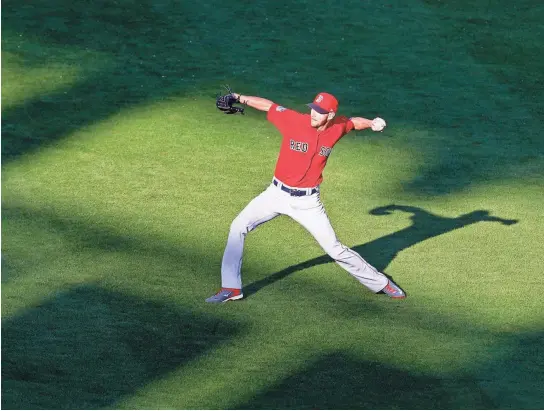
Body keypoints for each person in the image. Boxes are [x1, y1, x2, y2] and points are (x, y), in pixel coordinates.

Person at [206, 92, 406, 303]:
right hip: (275, 194)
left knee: (334, 249)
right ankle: (231, 287)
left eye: (319, 112)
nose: (313, 113)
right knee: (238, 226)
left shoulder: (337, 127)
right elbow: (269, 106)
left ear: (330, 115)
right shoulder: (294, 120)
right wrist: (237, 96)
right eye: (312, 108)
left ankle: (381, 283)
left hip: (308, 202)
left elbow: (353, 123)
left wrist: (372, 123)